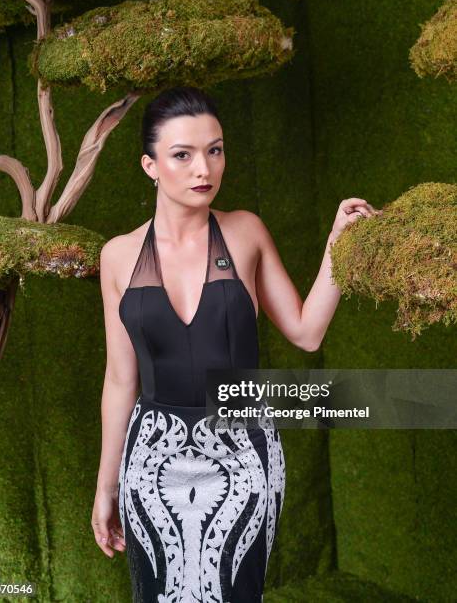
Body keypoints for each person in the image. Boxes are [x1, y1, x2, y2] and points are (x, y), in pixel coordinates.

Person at [92, 86, 379, 602]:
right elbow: (120, 380)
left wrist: (341, 242)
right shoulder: (117, 257)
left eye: (215, 150)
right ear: (150, 165)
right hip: (150, 464)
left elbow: (306, 331)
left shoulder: (245, 233)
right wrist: (105, 487)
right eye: (183, 154)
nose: (205, 168)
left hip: (243, 454)